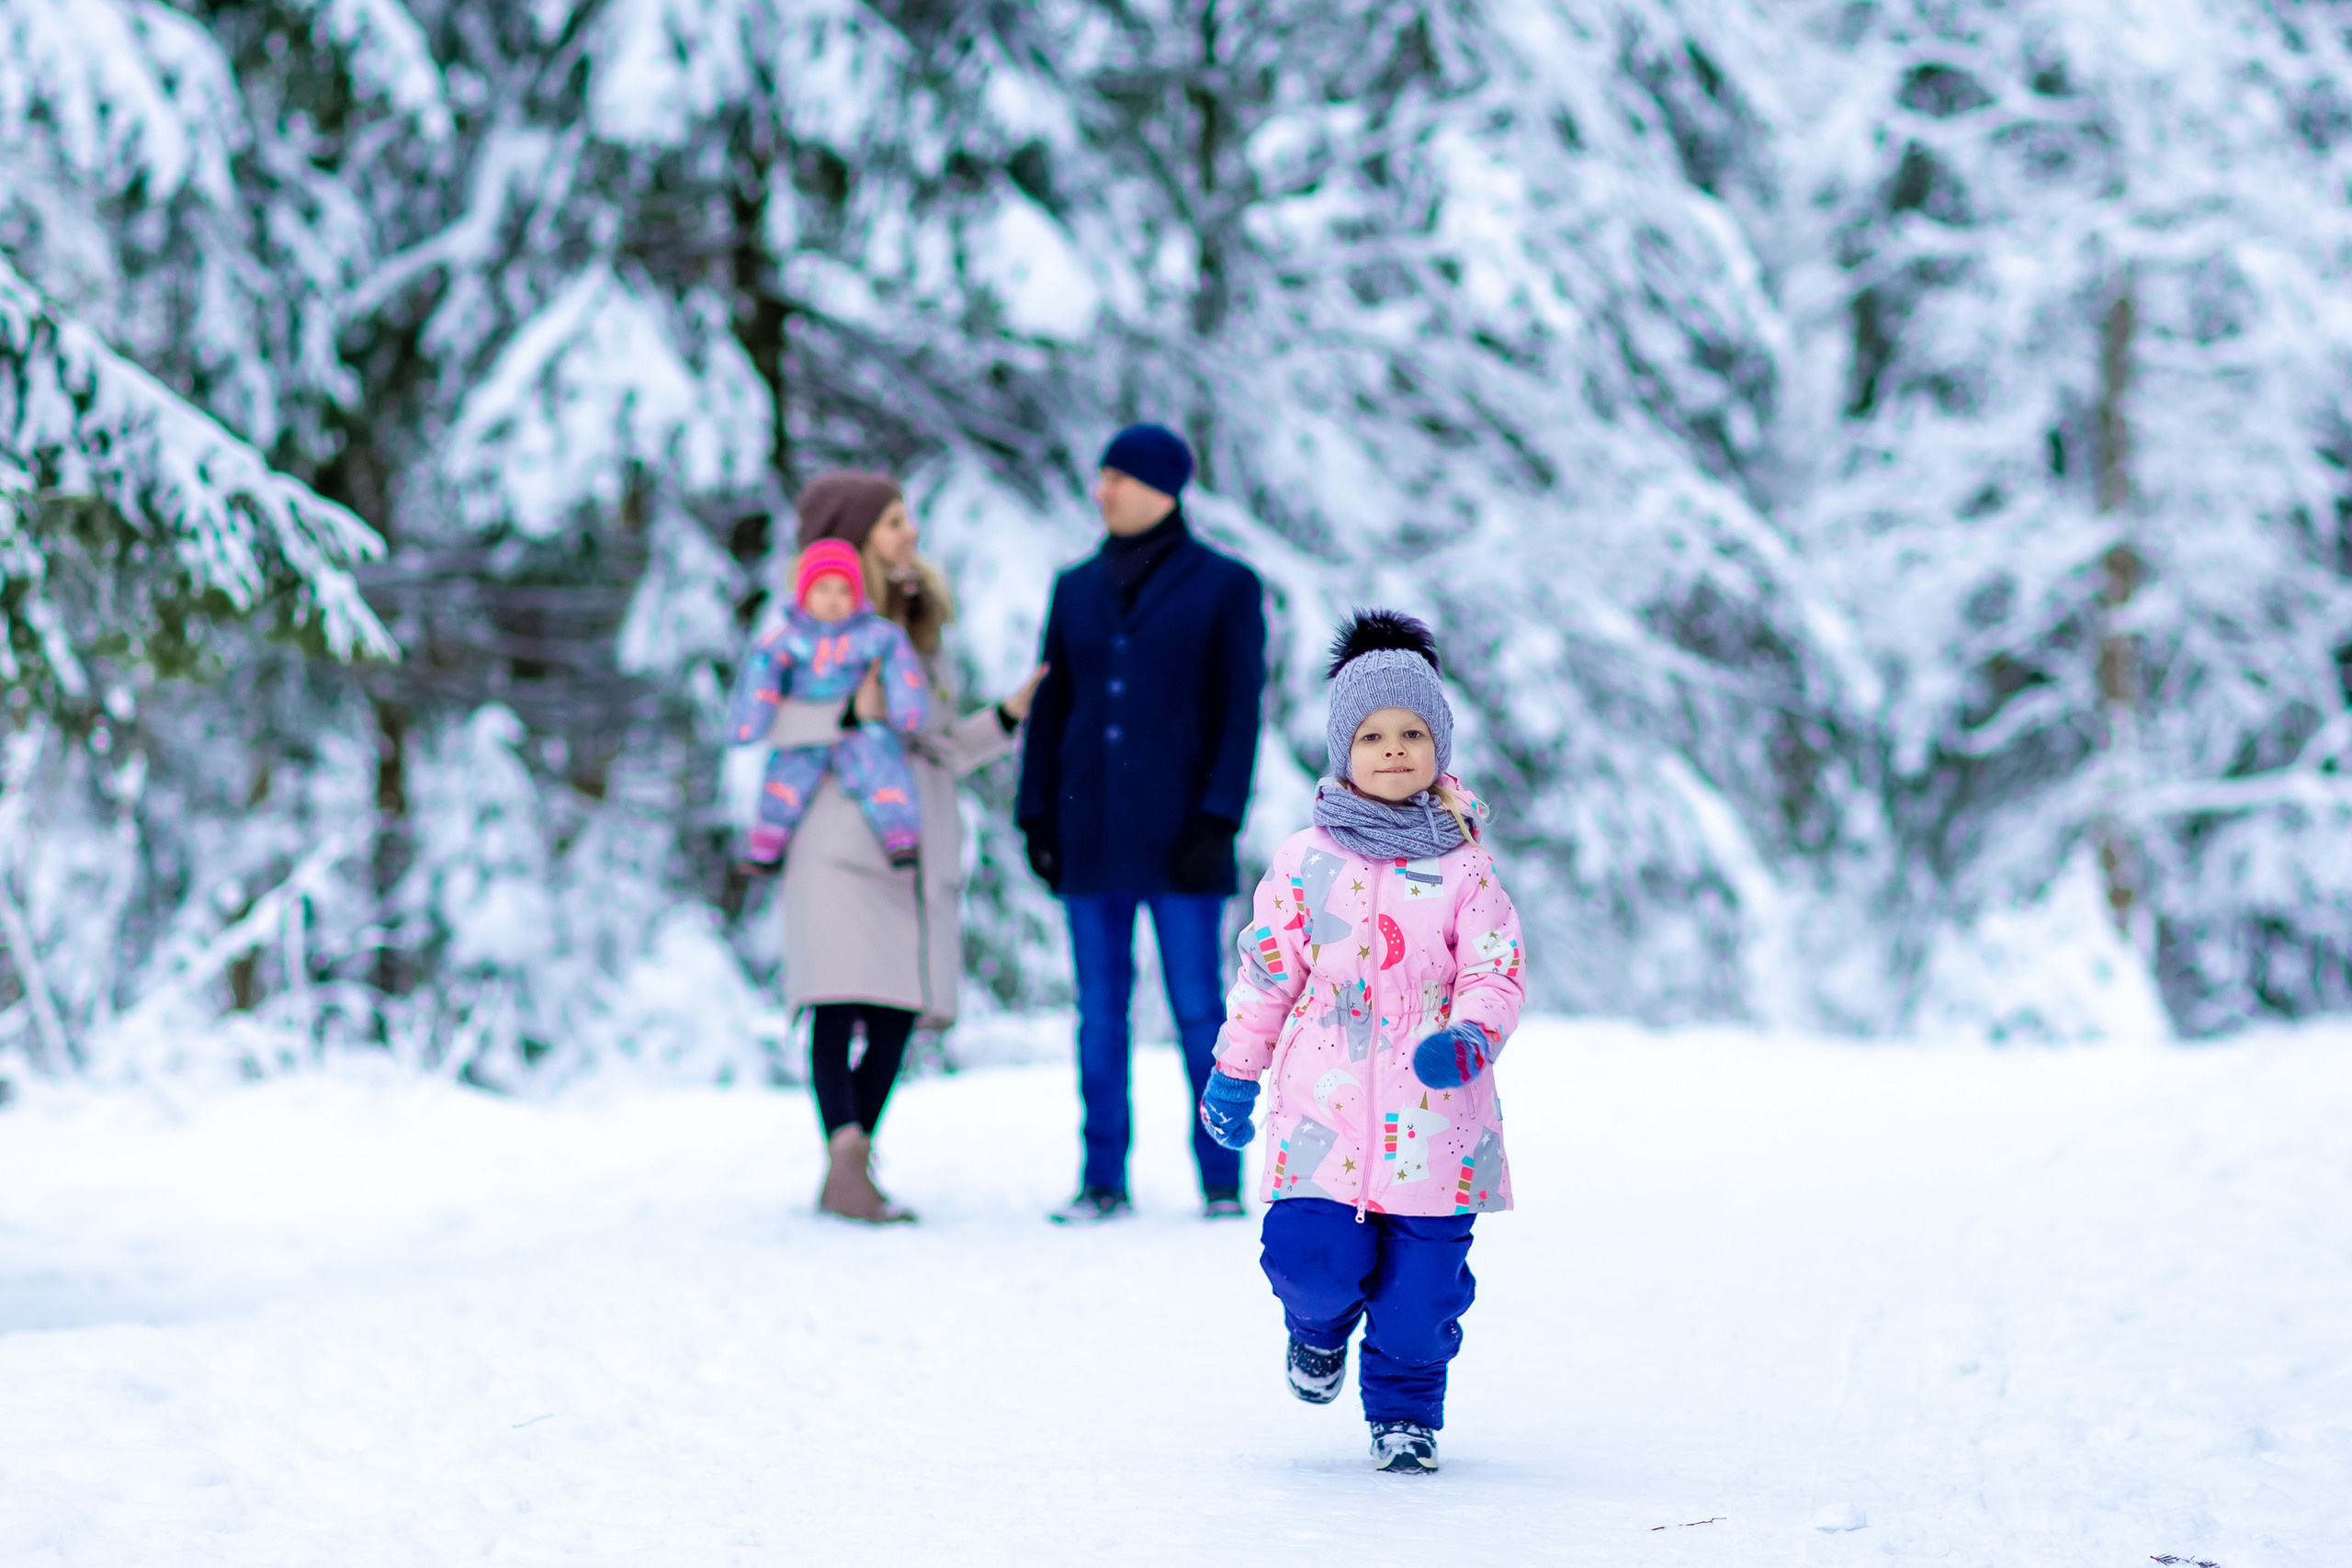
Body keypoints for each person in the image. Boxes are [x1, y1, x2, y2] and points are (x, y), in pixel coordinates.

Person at [1197, 609, 1527, 1475]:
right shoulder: (1305, 860)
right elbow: (1268, 974)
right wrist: (1235, 1070)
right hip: (1322, 1112)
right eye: (1373, 735)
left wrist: (1471, 1035)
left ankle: (1406, 1414)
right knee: (1308, 1258)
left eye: (1412, 733)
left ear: (1438, 744)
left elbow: (1495, 970)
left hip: (1437, 1121)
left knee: (1422, 1298)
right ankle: (1316, 1330)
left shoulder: (1465, 866)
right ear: (1344, 748)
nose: (1392, 750)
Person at [757, 471, 1046, 1224]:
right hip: (834, 837)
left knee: (893, 1007)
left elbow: (939, 744)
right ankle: (847, 1163)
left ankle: (850, 1163)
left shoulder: (919, 624)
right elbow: (768, 720)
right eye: (893, 521)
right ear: (854, 538)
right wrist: (850, 711)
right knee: (836, 1000)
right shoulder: (806, 624)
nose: (910, 532)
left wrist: (1010, 715)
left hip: (906, 841)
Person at [1016, 423, 1267, 1224]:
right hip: (1088, 831)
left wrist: (1219, 818)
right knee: (1099, 1013)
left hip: (1185, 837)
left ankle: (1220, 1180)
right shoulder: (1073, 586)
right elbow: (1052, 706)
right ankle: (1102, 1179)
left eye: (1117, 478)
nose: (1103, 491)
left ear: (1162, 486)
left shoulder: (1226, 584)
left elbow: (1239, 711)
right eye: (1101, 478)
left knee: (1199, 1010)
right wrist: (1036, 812)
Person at [727, 537, 929, 871]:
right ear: (804, 593)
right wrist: (749, 722)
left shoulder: (873, 635)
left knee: (882, 766)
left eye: (843, 591)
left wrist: (906, 708)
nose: (834, 600)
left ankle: (899, 833)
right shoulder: (788, 640)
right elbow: (761, 677)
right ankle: (768, 839)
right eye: (823, 589)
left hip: (862, 726)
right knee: (787, 774)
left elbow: (901, 668)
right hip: (807, 723)